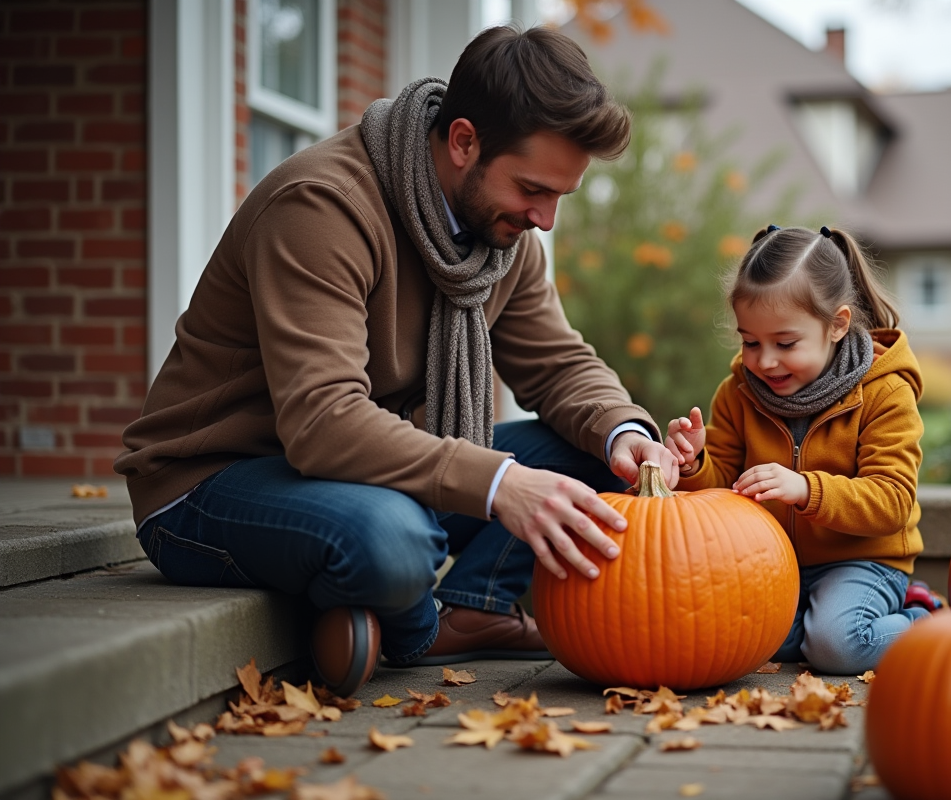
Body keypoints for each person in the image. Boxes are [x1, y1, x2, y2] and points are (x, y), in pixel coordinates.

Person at [115, 25, 678, 696]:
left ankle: (472, 607)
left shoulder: (502, 237)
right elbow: (324, 422)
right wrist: (500, 482)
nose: (546, 219)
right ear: (464, 141)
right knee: (392, 540)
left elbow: (559, 365)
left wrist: (630, 436)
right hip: (210, 484)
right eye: (533, 188)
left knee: (592, 464)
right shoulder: (322, 206)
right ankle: (420, 629)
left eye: (561, 195)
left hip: (365, 475)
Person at [664, 224, 937, 675]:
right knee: (752, 640)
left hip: (864, 560)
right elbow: (722, 492)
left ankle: (928, 621)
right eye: (750, 342)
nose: (765, 360)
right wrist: (694, 463)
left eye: (785, 344)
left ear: (837, 325)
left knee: (836, 647)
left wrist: (806, 489)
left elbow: (892, 501)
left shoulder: (885, 393)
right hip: (773, 563)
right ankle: (813, 624)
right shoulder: (737, 394)